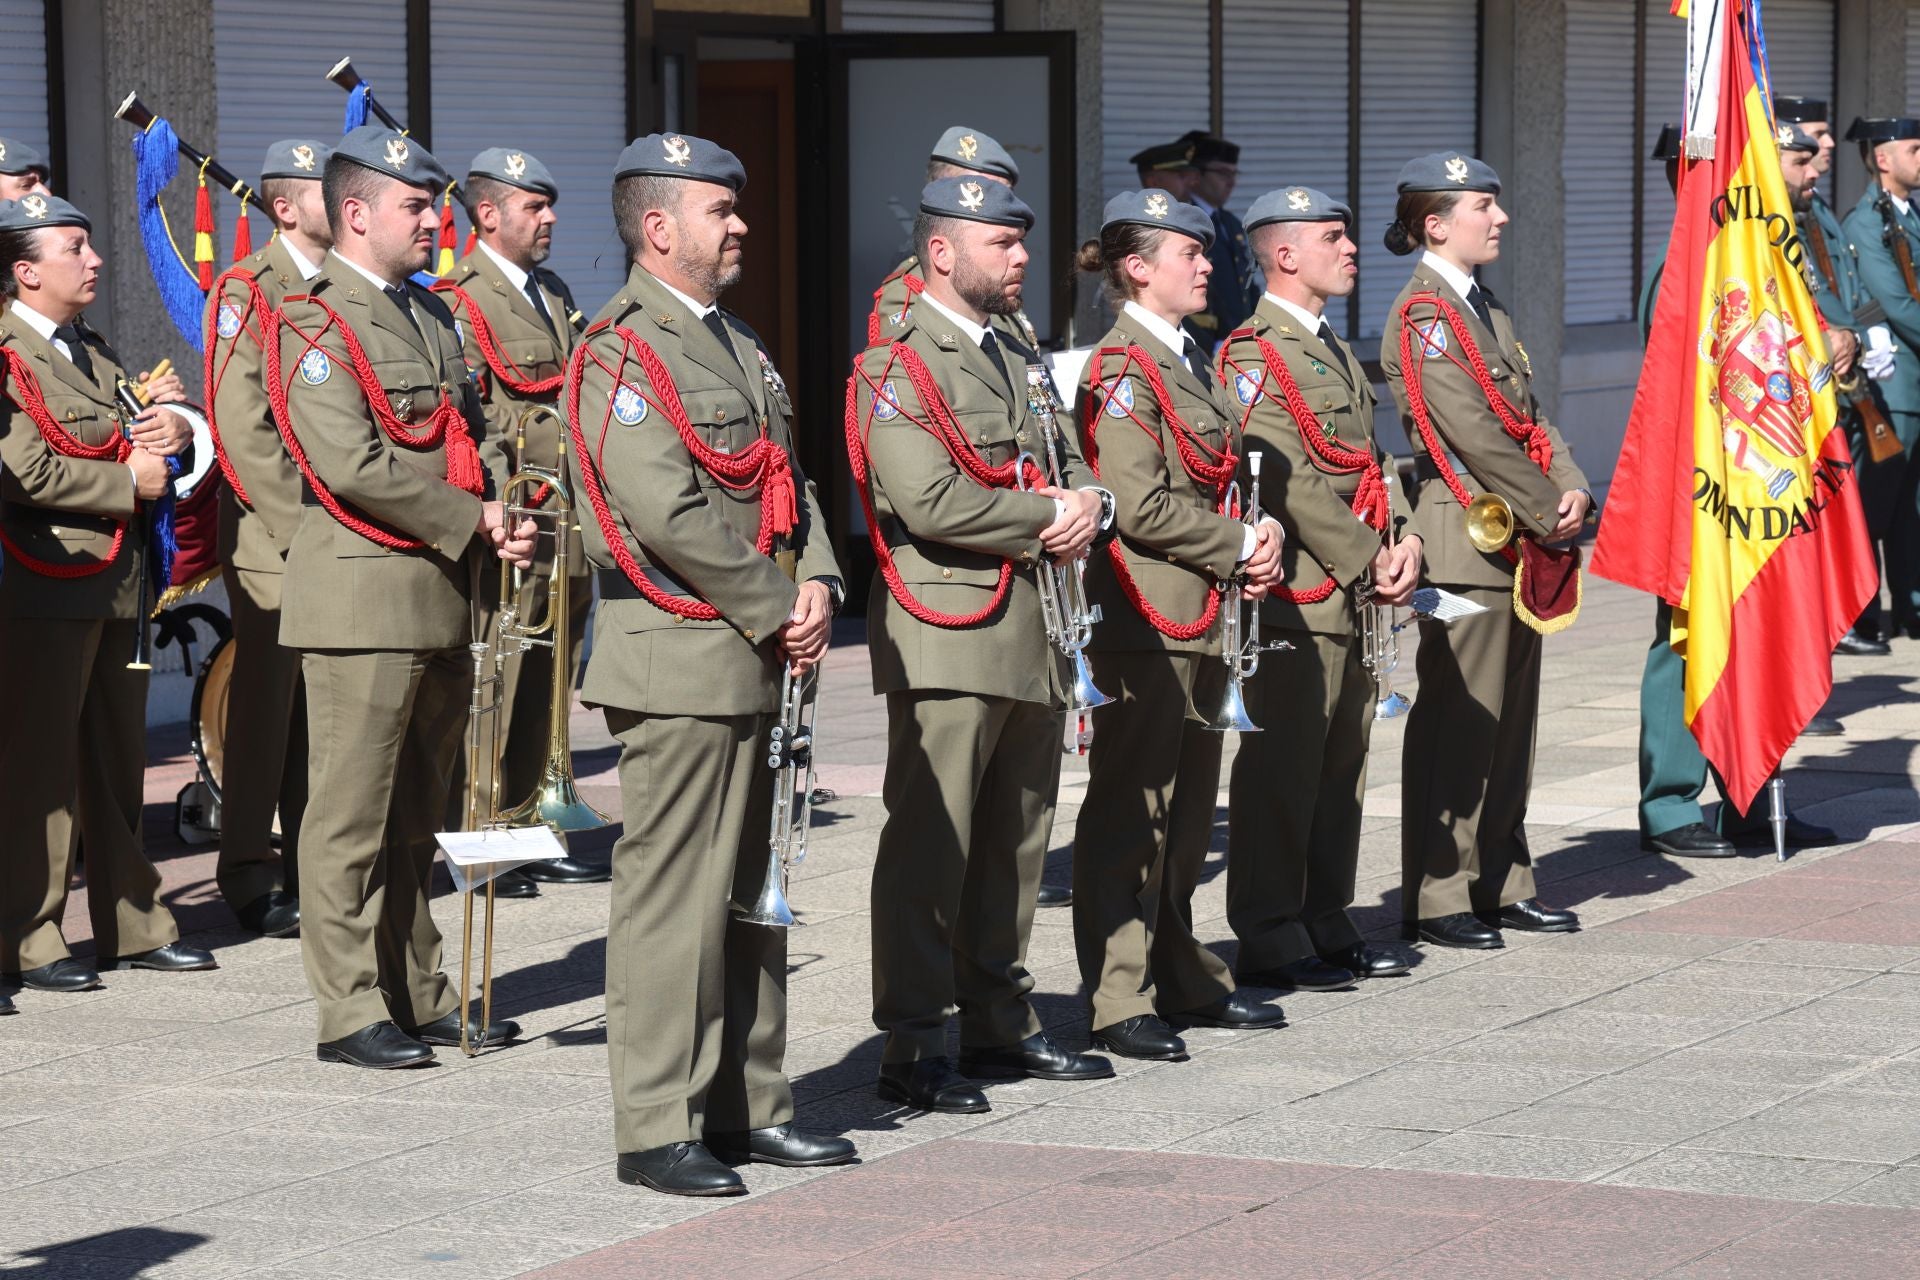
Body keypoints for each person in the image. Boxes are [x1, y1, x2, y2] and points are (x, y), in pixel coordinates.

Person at [572, 133, 852, 1196]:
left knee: (751, 890)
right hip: (680, 659)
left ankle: (749, 1103)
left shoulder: (734, 340)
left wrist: (818, 579)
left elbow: (789, 478)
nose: (739, 225)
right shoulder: (621, 349)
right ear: (658, 227)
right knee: (674, 899)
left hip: (754, 650)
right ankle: (657, 1125)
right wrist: (779, 607)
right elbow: (667, 511)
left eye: (736, 208)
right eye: (717, 210)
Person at [851, 175, 1114, 1114]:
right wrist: (1049, 516)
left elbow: (1071, 458)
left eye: (1019, 240)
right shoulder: (894, 363)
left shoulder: (1015, 350)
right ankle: (916, 1041)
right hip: (949, 626)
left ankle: (1000, 1021)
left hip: (1034, 623)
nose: (1020, 258)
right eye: (1000, 242)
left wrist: (1093, 503)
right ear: (941, 252)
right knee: (935, 843)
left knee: (1016, 839)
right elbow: (928, 500)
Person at [271, 125, 533, 1068]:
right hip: (362, 599)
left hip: (440, 593)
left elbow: (469, 431)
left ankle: (416, 988)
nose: (434, 222)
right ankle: (347, 1010)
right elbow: (351, 462)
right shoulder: (313, 319)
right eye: (415, 206)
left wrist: (504, 504)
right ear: (355, 212)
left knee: (418, 813)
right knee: (348, 817)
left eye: (433, 206)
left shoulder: (429, 313)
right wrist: (472, 517)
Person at [1068, 190, 1286, 1062]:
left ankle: (1178, 968)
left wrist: (1257, 533)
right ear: (1137, 268)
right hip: (1147, 616)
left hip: (1204, 610)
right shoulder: (1122, 367)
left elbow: (1218, 476)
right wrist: (1238, 542)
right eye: (1187, 253)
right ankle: (1118, 993)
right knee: (1135, 810)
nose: (1206, 263)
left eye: (1204, 250)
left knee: (1190, 812)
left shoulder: (1185, 356)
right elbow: (1140, 503)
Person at [0, 193, 215, 992]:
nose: (94, 260)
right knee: (41, 771)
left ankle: (133, 924)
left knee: (117, 761)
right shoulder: (9, 354)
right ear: (26, 272)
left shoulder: (89, 347)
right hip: (47, 585)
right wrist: (129, 480)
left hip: (119, 581)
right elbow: (24, 471)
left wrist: (176, 427)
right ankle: (29, 935)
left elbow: (135, 427)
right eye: (74, 248)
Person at [1380, 153, 1591, 950]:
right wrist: (1545, 507)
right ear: (1435, 224)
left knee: (1510, 724)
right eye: (1482, 206)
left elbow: (1529, 417)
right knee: (1460, 719)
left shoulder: (1483, 307)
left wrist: (1572, 487)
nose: (1499, 218)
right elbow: (1473, 432)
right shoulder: (1425, 314)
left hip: (1513, 531)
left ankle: (1502, 881)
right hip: (1465, 534)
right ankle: (1439, 893)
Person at [1219, 185, 1420, 986]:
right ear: (1285, 253)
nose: (1351, 249)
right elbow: (1284, 478)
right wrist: (1369, 554)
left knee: (1342, 763)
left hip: (1354, 586)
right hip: (1298, 592)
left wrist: (1404, 537)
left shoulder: (1327, 344)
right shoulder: (1250, 353)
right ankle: (1270, 930)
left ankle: (1325, 914)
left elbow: (1370, 459)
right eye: (1332, 237)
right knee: (1285, 768)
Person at [434, 147, 604, 896]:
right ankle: (479, 840)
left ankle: (532, 824)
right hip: (518, 517)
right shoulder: (460, 300)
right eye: (534, 206)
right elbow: (477, 420)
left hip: (567, 519)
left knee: (548, 680)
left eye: (549, 204)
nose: (550, 217)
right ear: (488, 214)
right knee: (496, 682)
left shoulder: (553, 291)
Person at [203, 139, 334, 940]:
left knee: (322, 713)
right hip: (275, 535)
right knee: (266, 709)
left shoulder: (347, 286)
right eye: (327, 189)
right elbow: (241, 426)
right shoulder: (248, 289)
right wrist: (304, 529)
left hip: (341, 530)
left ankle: (314, 870)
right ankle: (249, 870)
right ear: (284, 207)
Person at [1777, 95, 1894, 659]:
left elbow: (1844, 278)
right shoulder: (1787, 212)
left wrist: (1864, 332)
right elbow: (1809, 290)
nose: (1824, 150)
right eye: (1812, 140)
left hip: (1844, 368)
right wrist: (1840, 332)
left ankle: (1837, 617)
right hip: (1815, 372)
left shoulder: (1814, 205)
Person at [1844, 118, 1920, 644]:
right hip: (1892, 390)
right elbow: (1893, 302)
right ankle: (1863, 613)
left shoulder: (1908, 215)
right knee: (1877, 505)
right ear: (1884, 159)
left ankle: (1911, 605)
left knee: (1912, 508)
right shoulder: (1865, 223)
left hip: (1913, 386)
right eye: (1914, 149)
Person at [1181, 131, 1257, 343]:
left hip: (1237, 340)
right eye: (1223, 173)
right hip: (1203, 342)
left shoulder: (1230, 223)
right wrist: (1208, 343)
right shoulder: (1183, 221)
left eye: (1234, 174)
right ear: (1196, 176)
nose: (1231, 182)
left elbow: (1247, 286)